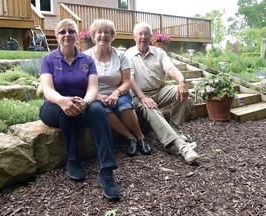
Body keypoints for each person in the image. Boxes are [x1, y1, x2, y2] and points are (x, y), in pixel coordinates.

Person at [39, 18, 120, 201]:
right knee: (65, 112)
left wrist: (85, 102)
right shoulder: (48, 59)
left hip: (81, 103)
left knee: (98, 110)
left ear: (77, 35)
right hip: (53, 106)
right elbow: (48, 89)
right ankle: (73, 159)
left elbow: (93, 88)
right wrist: (62, 101)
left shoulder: (87, 60)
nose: (67, 35)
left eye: (71, 31)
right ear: (56, 36)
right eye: (62, 32)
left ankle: (106, 172)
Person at [125, 22, 199, 164]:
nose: (143, 37)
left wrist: (182, 82)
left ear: (151, 37)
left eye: (146, 33)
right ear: (134, 37)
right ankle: (181, 146)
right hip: (138, 95)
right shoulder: (128, 55)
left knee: (181, 91)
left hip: (159, 91)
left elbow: (171, 68)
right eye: (140, 34)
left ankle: (176, 129)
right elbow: (130, 79)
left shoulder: (159, 52)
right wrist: (142, 97)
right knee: (149, 106)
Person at [84, 19, 151, 157]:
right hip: (96, 95)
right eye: (99, 32)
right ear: (93, 35)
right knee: (103, 110)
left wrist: (116, 93)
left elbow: (126, 81)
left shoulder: (121, 56)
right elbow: (83, 84)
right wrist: (98, 96)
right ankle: (130, 138)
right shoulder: (86, 57)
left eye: (107, 32)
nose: (103, 35)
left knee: (124, 106)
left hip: (119, 92)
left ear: (112, 35)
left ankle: (140, 138)